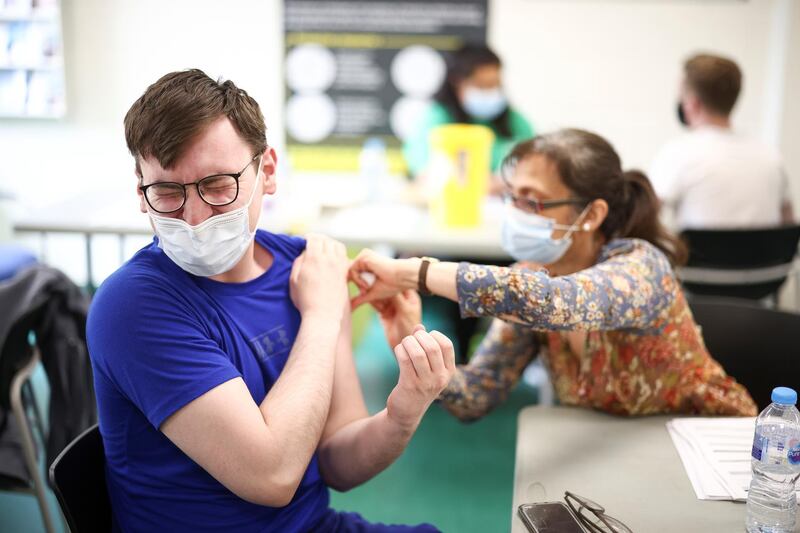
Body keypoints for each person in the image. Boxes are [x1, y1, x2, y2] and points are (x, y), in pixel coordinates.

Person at [86, 69, 455, 532]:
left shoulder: (303, 268)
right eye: (167, 192)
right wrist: (321, 315)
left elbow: (338, 462)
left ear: (268, 172)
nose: (196, 218)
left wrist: (402, 412)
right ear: (141, 192)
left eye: (219, 185)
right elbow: (273, 476)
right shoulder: (133, 305)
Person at [350, 129, 758, 422]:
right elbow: (475, 396)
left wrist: (414, 272)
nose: (516, 213)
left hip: (717, 448)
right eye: (512, 198)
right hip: (619, 453)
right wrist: (411, 341)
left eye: (534, 202)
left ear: (592, 214)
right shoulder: (528, 277)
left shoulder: (641, 267)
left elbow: (554, 302)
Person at [650, 53, 793, 230]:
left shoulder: (677, 153)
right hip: (768, 258)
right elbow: (788, 224)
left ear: (692, 104)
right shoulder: (772, 156)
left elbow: (646, 217)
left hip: (697, 258)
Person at [402, 43, 534, 182]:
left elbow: (533, 165)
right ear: (457, 82)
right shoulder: (435, 120)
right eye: (481, 85)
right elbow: (426, 173)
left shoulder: (514, 121)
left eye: (495, 84)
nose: (490, 91)